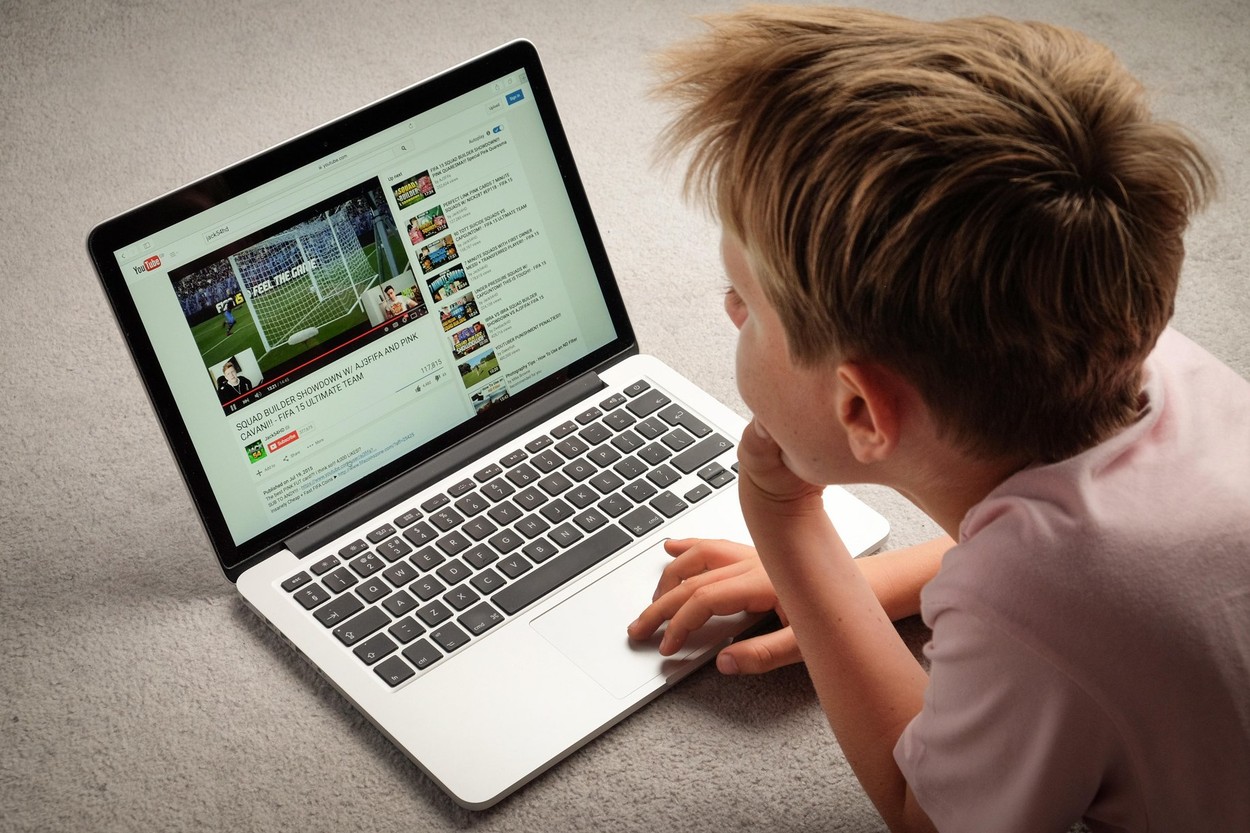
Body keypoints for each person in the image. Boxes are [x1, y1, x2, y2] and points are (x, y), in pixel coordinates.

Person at [626, 7, 1250, 832]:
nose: (732, 311)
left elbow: (929, 815)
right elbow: (1094, 560)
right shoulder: (1158, 360)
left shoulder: (1036, 612)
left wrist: (790, 531)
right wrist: (866, 589)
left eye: (747, 303)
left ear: (859, 409)